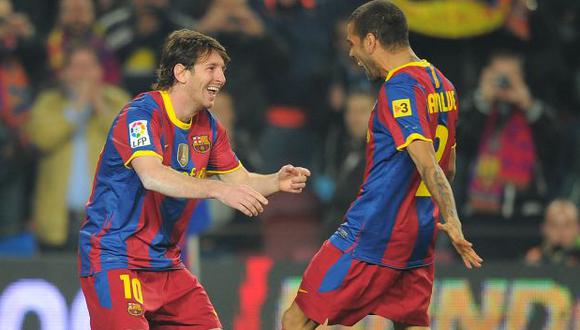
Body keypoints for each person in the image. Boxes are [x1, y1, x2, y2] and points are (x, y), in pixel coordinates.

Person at [78, 29, 310, 329]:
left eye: (222, 70)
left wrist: (275, 181)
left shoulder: (210, 128)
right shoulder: (140, 116)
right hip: (116, 257)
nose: (221, 78)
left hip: (165, 264)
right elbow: (152, 175)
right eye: (211, 68)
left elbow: (240, 181)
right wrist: (216, 189)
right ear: (181, 73)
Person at [282, 1, 482, 329]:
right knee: (411, 323)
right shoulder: (443, 83)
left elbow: (428, 163)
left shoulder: (400, 87)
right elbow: (449, 164)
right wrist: (439, 216)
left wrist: (454, 220)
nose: (351, 53)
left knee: (297, 318)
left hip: (374, 230)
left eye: (353, 43)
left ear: (371, 41)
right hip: (419, 233)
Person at [26, 43, 129, 251]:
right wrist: (78, 107)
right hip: (57, 220)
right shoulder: (48, 102)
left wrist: (99, 106)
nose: (83, 74)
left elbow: (130, 144)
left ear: (100, 71)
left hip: (106, 222)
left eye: (89, 66)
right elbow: (41, 139)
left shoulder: (118, 100)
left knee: (103, 283)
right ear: (63, 73)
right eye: (76, 67)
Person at [525, 199, 580, 267]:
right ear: (544, 228)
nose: (560, 231)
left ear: (577, 228)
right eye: (554, 225)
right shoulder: (534, 258)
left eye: (567, 225)